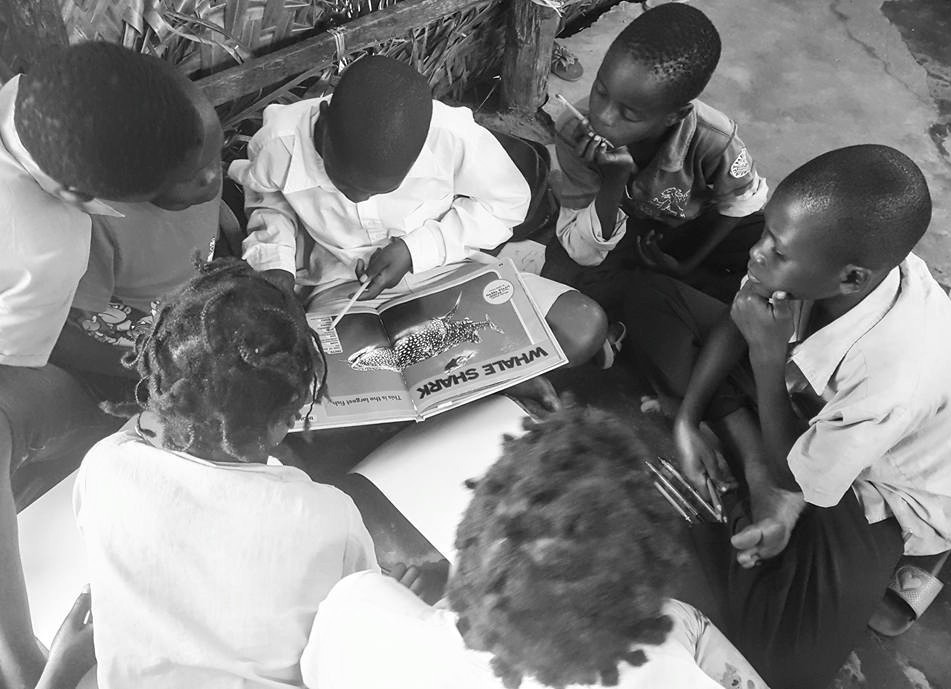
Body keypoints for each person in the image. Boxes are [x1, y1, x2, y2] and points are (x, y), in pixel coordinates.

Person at [624, 145, 951, 689]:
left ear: (851, 279)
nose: (756, 255)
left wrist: (766, 355)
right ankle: (749, 467)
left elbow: (796, 477)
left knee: (784, 668)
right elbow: (742, 314)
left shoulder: (897, 378)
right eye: (765, 234)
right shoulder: (821, 258)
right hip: (799, 397)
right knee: (648, 297)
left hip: (877, 486)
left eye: (776, 251)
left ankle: (751, 499)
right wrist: (687, 421)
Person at [0, 42, 222, 689]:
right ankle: (17, 656)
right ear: (85, 198)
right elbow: (17, 370)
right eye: (180, 186)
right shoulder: (47, 249)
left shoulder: (34, 99)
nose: (212, 181)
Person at [299, 405, 769, 689]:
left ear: (466, 539)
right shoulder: (663, 670)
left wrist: (413, 609)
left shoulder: (358, 611)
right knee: (686, 622)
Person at [74, 259, 377, 688]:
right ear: (287, 418)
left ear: (160, 386)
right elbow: (354, 620)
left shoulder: (106, 465)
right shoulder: (328, 516)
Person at [229, 55, 606, 366]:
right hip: (345, 292)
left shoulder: (451, 137)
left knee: (579, 328)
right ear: (324, 122)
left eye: (379, 190)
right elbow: (268, 201)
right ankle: (481, 392)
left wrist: (417, 249)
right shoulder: (278, 144)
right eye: (344, 184)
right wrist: (274, 263)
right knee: (314, 374)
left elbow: (508, 205)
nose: (357, 200)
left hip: (448, 271)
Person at [544, 3, 768, 309]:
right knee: (562, 275)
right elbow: (582, 250)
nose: (603, 118)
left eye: (629, 114)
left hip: (693, 223)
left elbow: (741, 202)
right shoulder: (573, 130)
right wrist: (613, 181)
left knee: (766, 238)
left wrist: (689, 262)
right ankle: (669, 294)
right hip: (624, 224)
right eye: (600, 91)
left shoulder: (715, 138)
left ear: (675, 116)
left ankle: (683, 284)